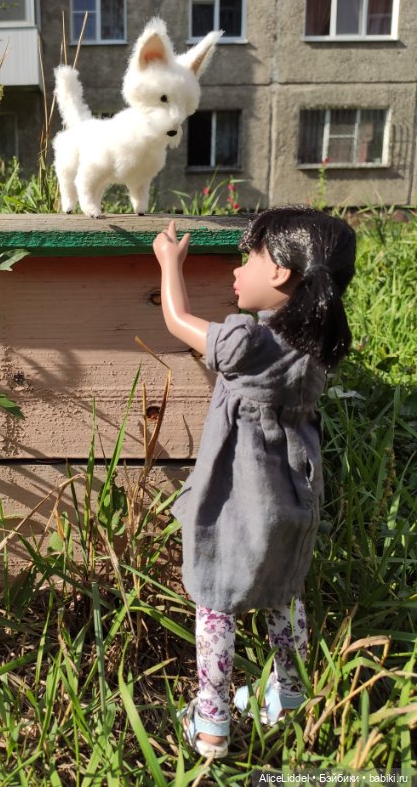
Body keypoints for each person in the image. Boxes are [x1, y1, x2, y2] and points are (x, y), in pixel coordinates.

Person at [152, 206, 356, 758]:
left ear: (283, 274)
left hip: (235, 502)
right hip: (293, 499)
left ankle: (213, 718)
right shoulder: (314, 350)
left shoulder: (247, 341)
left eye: (250, 257)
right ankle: (289, 696)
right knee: (283, 596)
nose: (238, 270)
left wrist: (169, 263)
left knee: (215, 600)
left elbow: (177, 319)